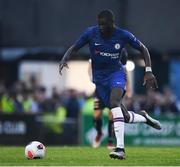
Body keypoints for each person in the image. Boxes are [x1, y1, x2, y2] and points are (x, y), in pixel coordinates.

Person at [59, 9, 161, 160]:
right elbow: (74, 47)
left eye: (104, 24)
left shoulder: (123, 35)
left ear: (112, 24)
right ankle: (144, 118)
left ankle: (120, 149)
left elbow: (143, 49)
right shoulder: (90, 33)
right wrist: (64, 59)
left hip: (116, 74)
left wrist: (148, 70)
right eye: (99, 24)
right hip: (99, 80)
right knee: (124, 116)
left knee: (114, 103)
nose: (101, 27)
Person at [89, 48, 161, 150]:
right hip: (100, 90)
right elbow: (90, 66)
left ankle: (114, 144)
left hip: (115, 87)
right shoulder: (99, 47)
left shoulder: (122, 51)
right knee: (119, 117)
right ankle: (143, 117)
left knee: (113, 114)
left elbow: (123, 69)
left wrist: (128, 87)